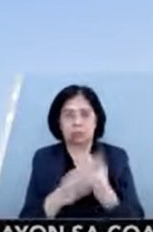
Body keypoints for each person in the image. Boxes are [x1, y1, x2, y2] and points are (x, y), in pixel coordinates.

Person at [19, 84, 144, 218]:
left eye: (85, 114)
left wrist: (104, 192)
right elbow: (25, 219)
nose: (77, 122)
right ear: (59, 122)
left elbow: (138, 219)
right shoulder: (43, 158)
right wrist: (61, 196)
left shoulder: (117, 157)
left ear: (96, 120)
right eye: (69, 115)